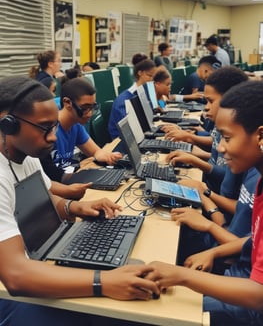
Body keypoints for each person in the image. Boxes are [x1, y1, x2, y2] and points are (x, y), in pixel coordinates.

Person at [0, 75, 161, 326]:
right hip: (9, 294)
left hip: (34, 262)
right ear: (7, 124)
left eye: (54, 127)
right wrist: (102, 283)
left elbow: (48, 200)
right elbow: (15, 276)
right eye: (45, 127)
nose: (53, 137)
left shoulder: (26, 155)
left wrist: (76, 207)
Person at [147, 80, 263, 326]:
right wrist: (213, 248)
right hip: (240, 280)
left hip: (249, 308)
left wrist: (182, 276)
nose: (220, 148)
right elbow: (254, 242)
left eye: (227, 138)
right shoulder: (260, 180)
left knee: (150, 310)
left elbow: (259, 296)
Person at [164, 66, 248, 193]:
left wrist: (205, 194)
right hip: (209, 186)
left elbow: (227, 175)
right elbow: (218, 158)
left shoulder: (239, 134)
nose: (206, 107)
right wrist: (192, 143)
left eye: (210, 101)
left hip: (212, 192)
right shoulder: (225, 123)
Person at [40, 77, 122, 181]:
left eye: (93, 107)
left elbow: (96, 151)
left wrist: (106, 156)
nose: (90, 114)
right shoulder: (49, 131)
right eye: (84, 108)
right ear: (67, 103)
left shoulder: (76, 125)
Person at [108, 58, 156, 139]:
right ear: (140, 73)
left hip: (139, 135)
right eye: (149, 75)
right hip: (122, 141)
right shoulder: (124, 100)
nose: (151, 80)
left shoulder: (144, 93)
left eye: (153, 77)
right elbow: (127, 129)